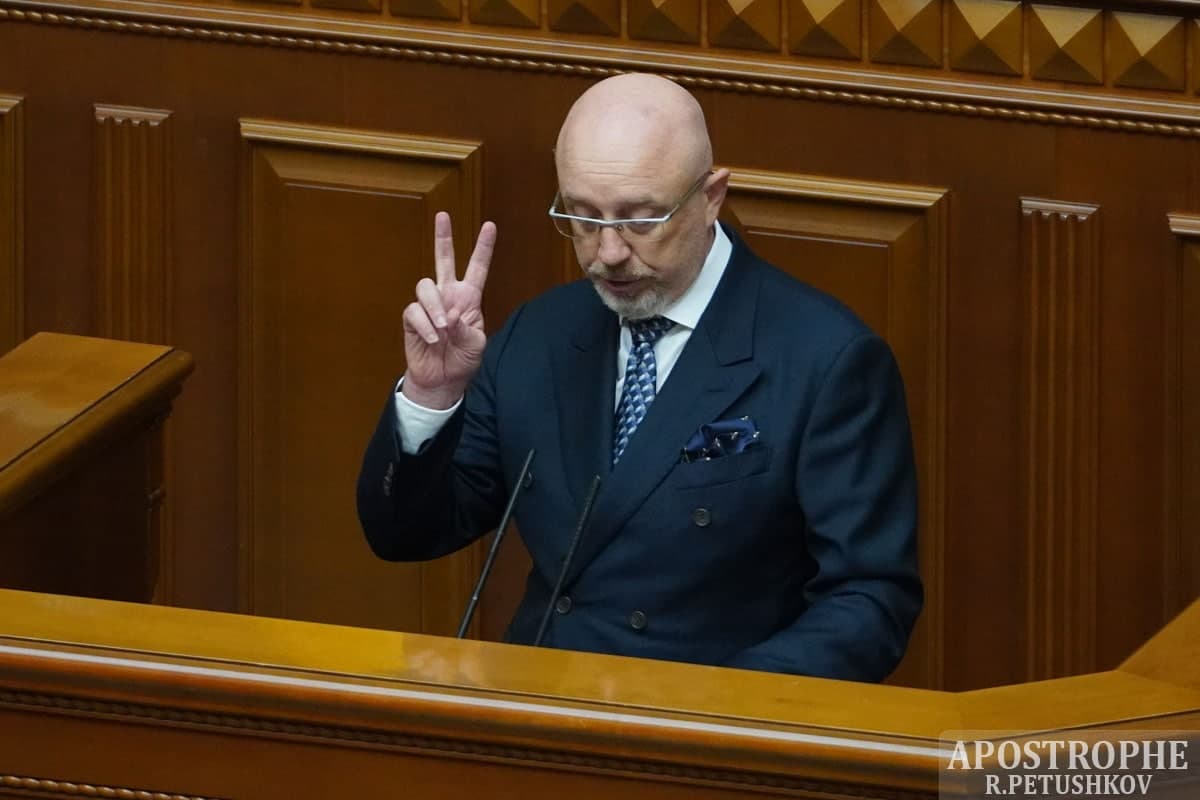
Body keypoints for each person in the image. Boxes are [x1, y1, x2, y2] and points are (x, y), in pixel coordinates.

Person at [357, 73, 922, 681]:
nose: (608, 252)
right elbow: (406, 535)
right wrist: (432, 395)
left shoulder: (826, 359)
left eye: (641, 220)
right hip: (540, 707)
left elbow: (869, 600)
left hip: (705, 720)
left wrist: (721, 707)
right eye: (582, 218)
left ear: (711, 196)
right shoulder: (538, 335)